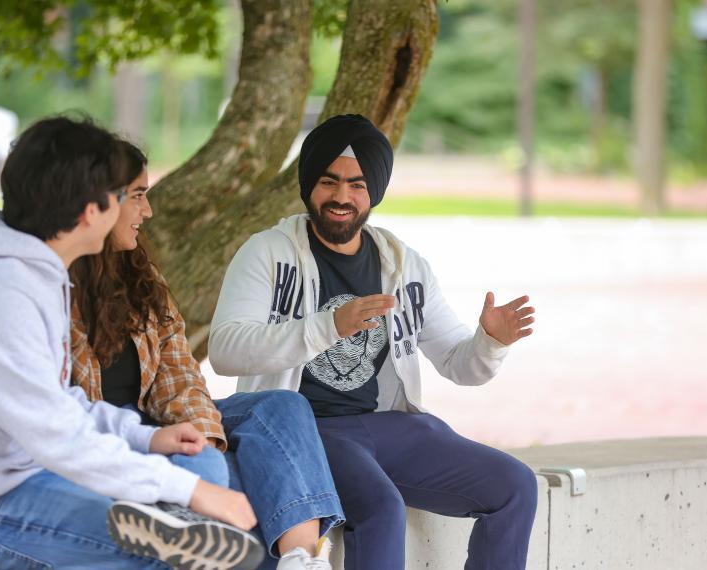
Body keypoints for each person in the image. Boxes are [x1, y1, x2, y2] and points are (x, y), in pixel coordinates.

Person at [0, 116, 262, 570]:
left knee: (191, 492)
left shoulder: (34, 277)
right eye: (121, 197)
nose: (135, 210)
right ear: (89, 210)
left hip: (17, 482)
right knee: (168, 555)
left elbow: (63, 403)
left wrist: (147, 437)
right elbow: (57, 433)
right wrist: (191, 492)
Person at [208, 114, 540, 570]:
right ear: (309, 186)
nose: (342, 196)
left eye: (357, 185)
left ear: (374, 192)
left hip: (390, 427)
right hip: (306, 430)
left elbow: (460, 364)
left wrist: (489, 342)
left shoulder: (404, 265)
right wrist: (329, 326)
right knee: (380, 508)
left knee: (515, 485)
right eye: (329, 181)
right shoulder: (267, 252)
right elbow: (225, 349)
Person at [69, 140, 343, 570]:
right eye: (139, 195)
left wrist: (202, 443)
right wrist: (201, 469)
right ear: (99, 202)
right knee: (247, 489)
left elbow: (180, 375)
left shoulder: (140, 276)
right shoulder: (47, 284)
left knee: (281, 407)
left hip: (159, 425)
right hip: (105, 439)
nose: (149, 211)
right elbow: (61, 413)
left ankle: (302, 560)